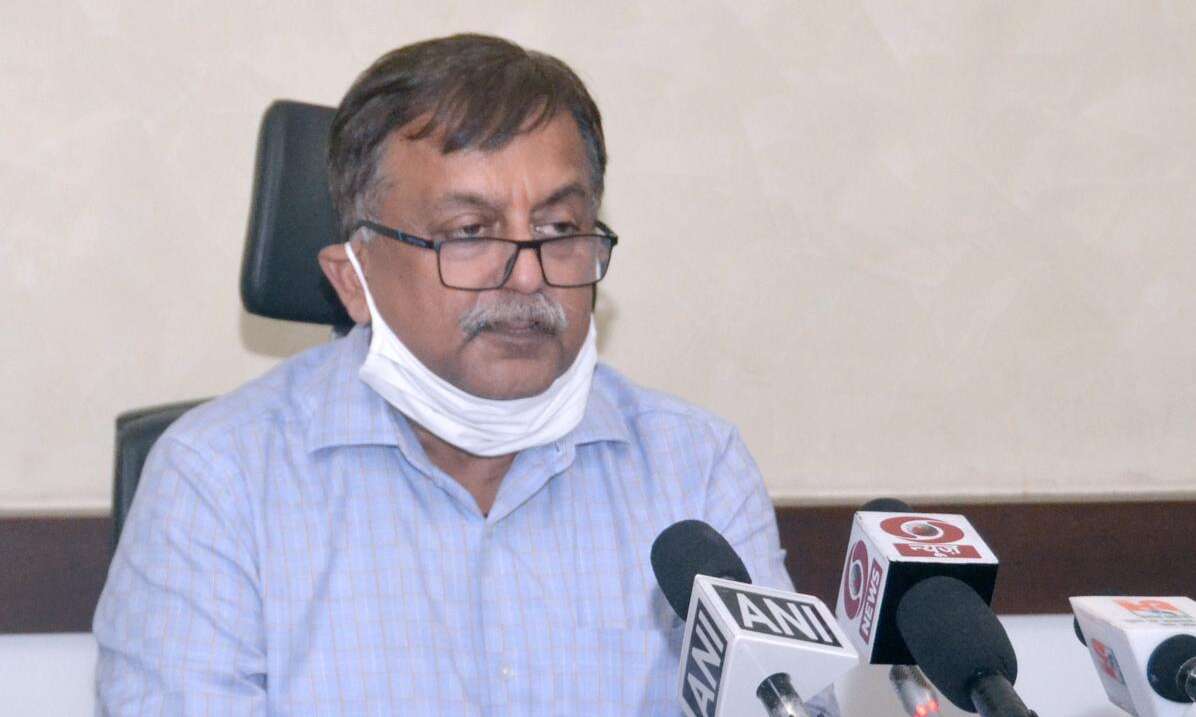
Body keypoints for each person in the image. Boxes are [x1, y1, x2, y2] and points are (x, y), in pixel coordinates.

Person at [94, 34, 838, 716]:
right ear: (353, 279)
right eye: (469, 233)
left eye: (558, 229)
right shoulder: (216, 482)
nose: (527, 276)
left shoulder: (696, 470)